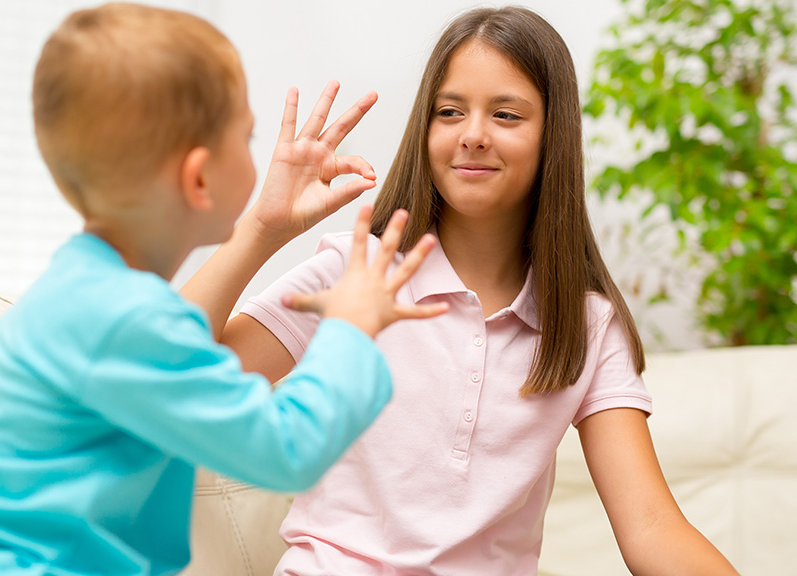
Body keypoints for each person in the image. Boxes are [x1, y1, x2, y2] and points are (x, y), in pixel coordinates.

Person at [190, 6, 741, 576]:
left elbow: (652, 525)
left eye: (506, 115)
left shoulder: (586, 325)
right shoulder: (359, 270)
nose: (473, 135)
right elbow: (170, 368)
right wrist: (262, 230)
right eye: (449, 112)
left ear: (553, 134)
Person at [0, 3, 448, 575]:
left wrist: (265, 225)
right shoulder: (125, 323)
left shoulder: (86, 296)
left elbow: (181, 343)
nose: (260, 154)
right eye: (247, 136)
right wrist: (348, 327)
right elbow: (287, 449)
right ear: (198, 178)